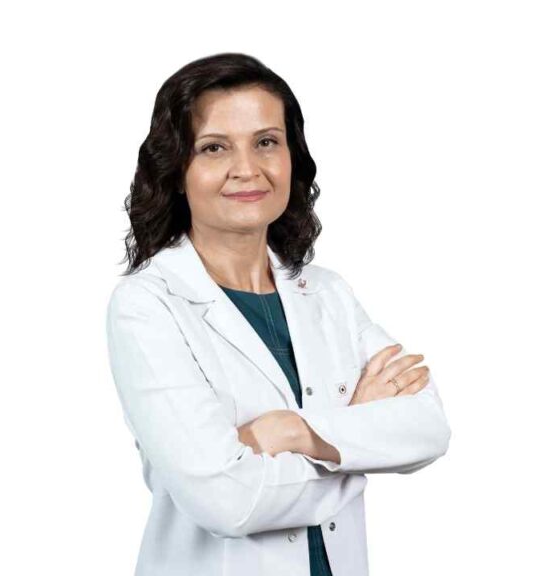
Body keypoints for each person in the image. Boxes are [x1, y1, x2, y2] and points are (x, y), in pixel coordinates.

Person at [106, 52, 451, 576]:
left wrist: (293, 432)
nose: (247, 169)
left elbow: (427, 428)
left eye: (266, 142)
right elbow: (226, 501)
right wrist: (354, 446)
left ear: (292, 157)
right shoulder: (148, 306)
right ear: (176, 170)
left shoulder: (327, 293)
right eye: (214, 147)